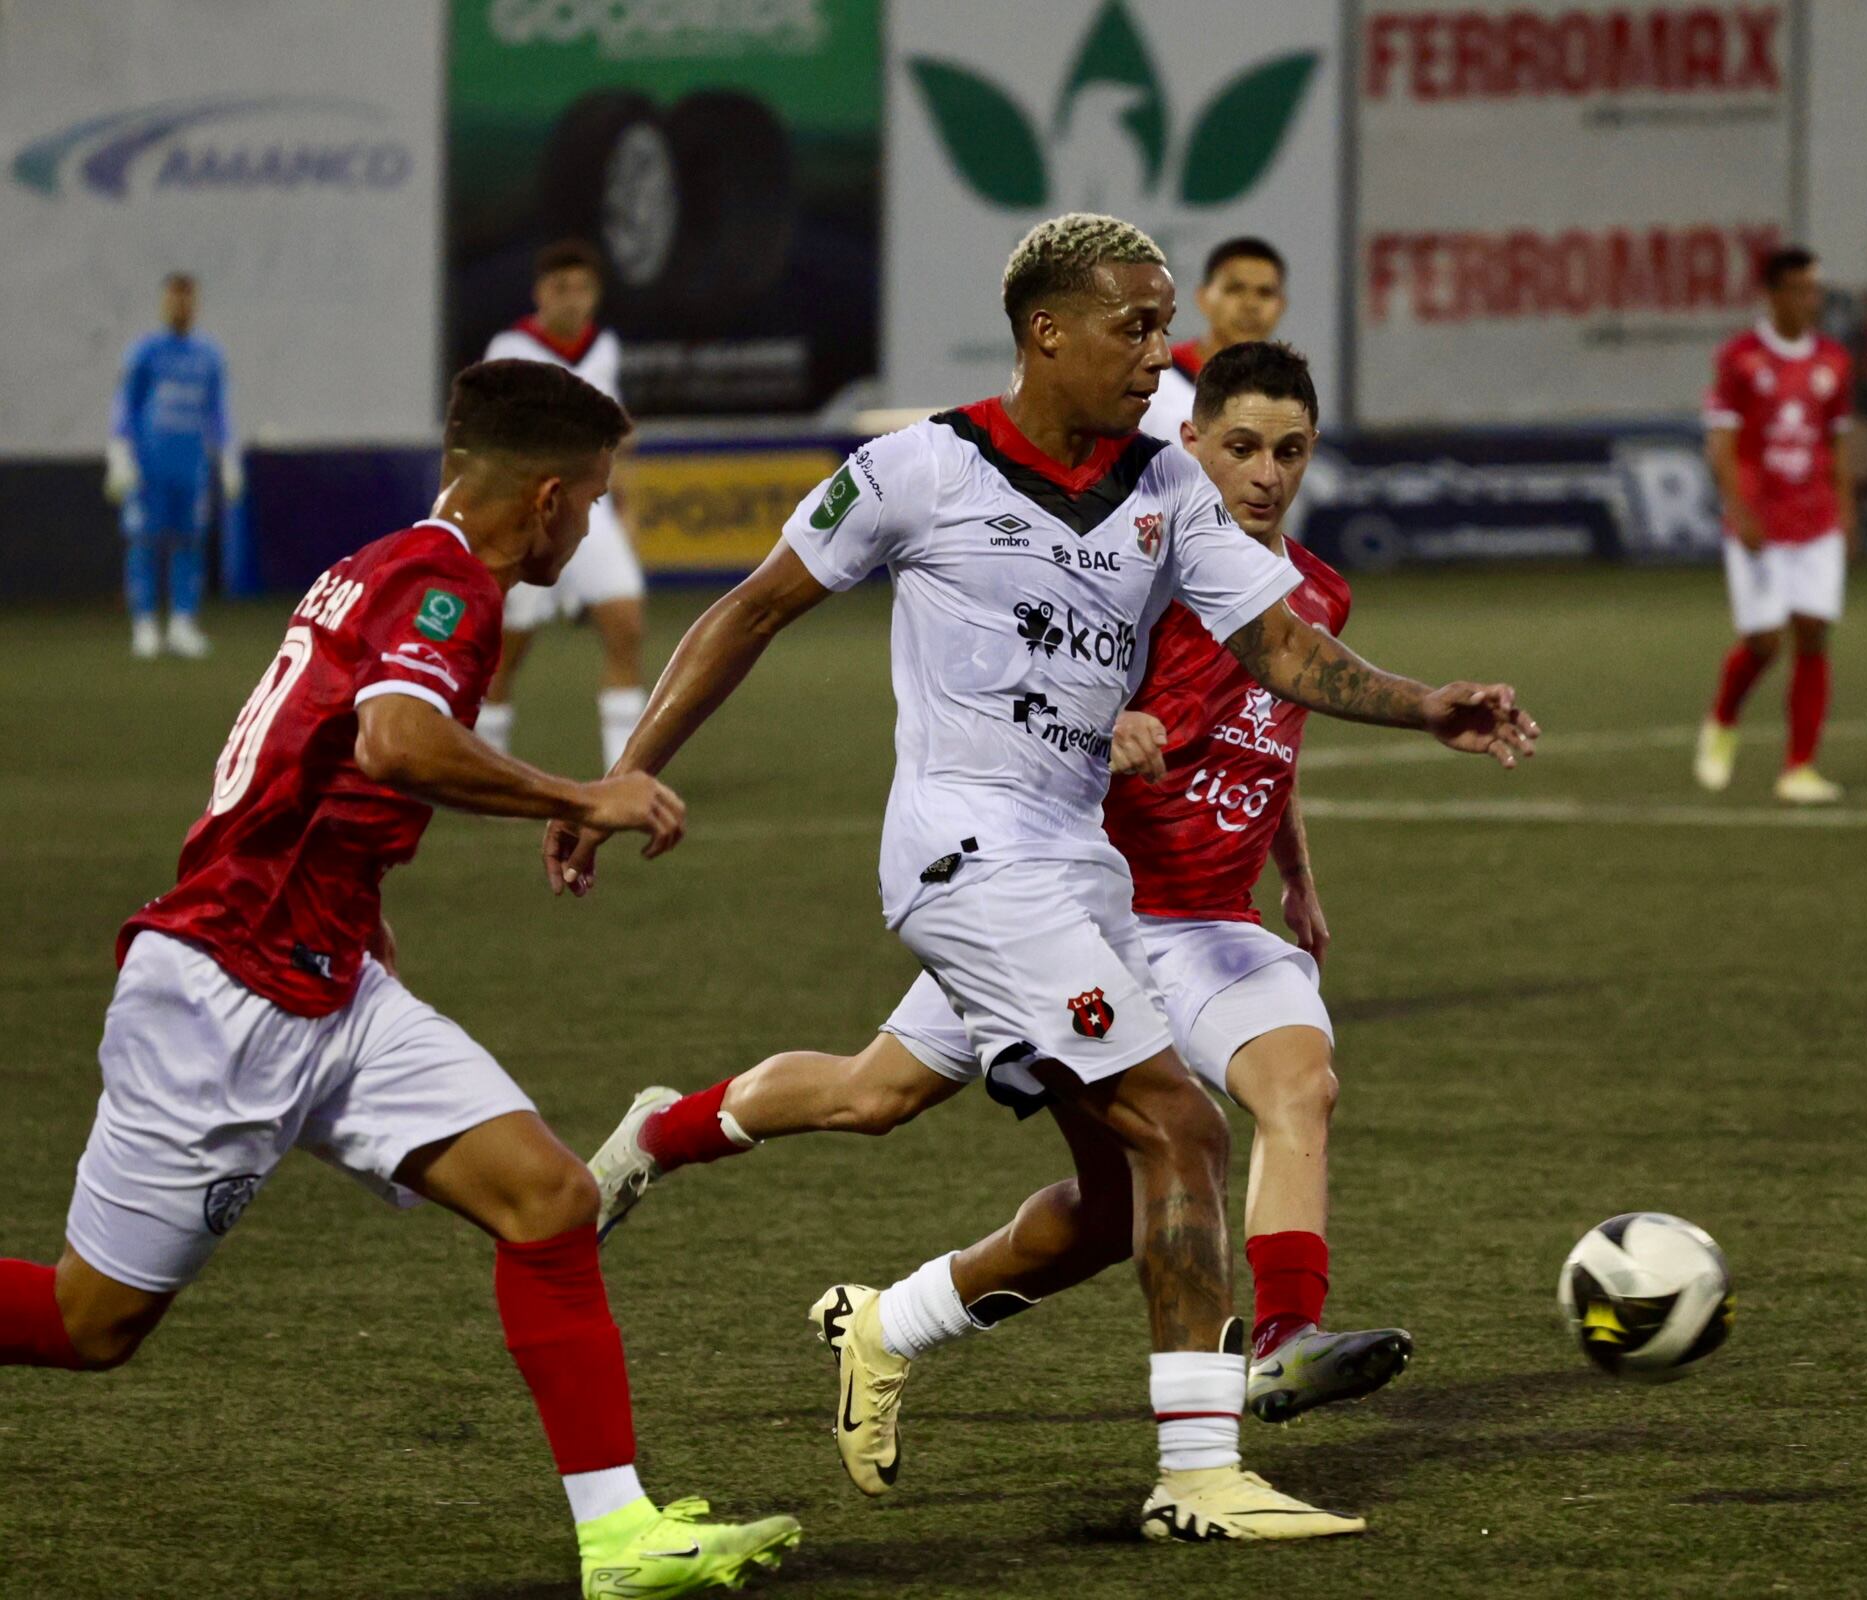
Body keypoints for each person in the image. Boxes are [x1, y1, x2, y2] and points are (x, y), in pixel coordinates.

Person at [545, 214, 1538, 1542]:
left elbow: (1279, 647)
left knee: (1068, 1172)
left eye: (1161, 322)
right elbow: (749, 611)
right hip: (965, 854)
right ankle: (1196, 1475)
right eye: (1134, 324)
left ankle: (847, 1292)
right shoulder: (915, 470)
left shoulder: (1166, 490)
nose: (1157, 350)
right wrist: (628, 770)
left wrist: (1429, 709)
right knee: (1180, 1124)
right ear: (1045, 333)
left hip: (1080, 871)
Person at [1, 360, 800, 1600]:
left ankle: (621, 1537)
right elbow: (394, 740)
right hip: (227, 992)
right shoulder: (445, 586)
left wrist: (370, 934)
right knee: (91, 1323)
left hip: (332, 974)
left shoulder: (382, 565)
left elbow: (330, 771)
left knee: (548, 1196)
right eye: (590, 502)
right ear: (544, 500)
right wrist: (578, 790)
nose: (589, 526)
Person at [588, 339, 1412, 1434]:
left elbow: (1274, 736)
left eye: (1291, 452)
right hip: (1056, 904)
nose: (1266, 473)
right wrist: (1097, 722)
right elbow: (1036, 675)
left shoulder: (1313, 596)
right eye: (1244, 448)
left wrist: (1296, 873)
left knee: (1292, 1084)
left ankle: (1281, 1339)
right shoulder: (1136, 556)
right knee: (871, 1096)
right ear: (1192, 444)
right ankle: (670, 1139)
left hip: (1205, 920)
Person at [1695, 245, 1856, 806]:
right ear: (1773, 294)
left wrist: (1847, 511)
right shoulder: (1740, 358)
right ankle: (1722, 720)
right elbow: (1721, 441)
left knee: (1813, 632)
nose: (1811, 299)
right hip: (1762, 521)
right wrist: (1739, 511)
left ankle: (1799, 768)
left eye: (1816, 289)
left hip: (1817, 519)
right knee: (1764, 642)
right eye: (1800, 289)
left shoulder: (1834, 361)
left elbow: (1837, 443)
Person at [479, 240, 650, 768]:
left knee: (626, 623)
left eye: (581, 288)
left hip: (587, 511)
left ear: (595, 295)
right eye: (560, 288)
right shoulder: (510, 348)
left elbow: (615, 434)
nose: (571, 299)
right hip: (526, 514)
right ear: (539, 294)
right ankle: (487, 765)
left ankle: (623, 771)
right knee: (508, 651)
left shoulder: (604, 346)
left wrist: (625, 500)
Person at [107, 272, 237, 660]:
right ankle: (144, 625)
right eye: (174, 299)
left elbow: (217, 412)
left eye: (187, 300)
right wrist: (119, 452)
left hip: (191, 467)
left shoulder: (208, 356)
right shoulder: (144, 353)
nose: (181, 307)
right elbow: (125, 405)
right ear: (164, 303)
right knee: (144, 544)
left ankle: (182, 623)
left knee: (189, 544)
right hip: (149, 467)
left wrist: (228, 457)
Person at [1141, 237, 1288, 445]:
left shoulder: (1289, 388)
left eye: (1265, 293)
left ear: (1281, 305)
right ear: (1202, 298)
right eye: (1235, 289)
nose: (1251, 304)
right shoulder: (1156, 379)